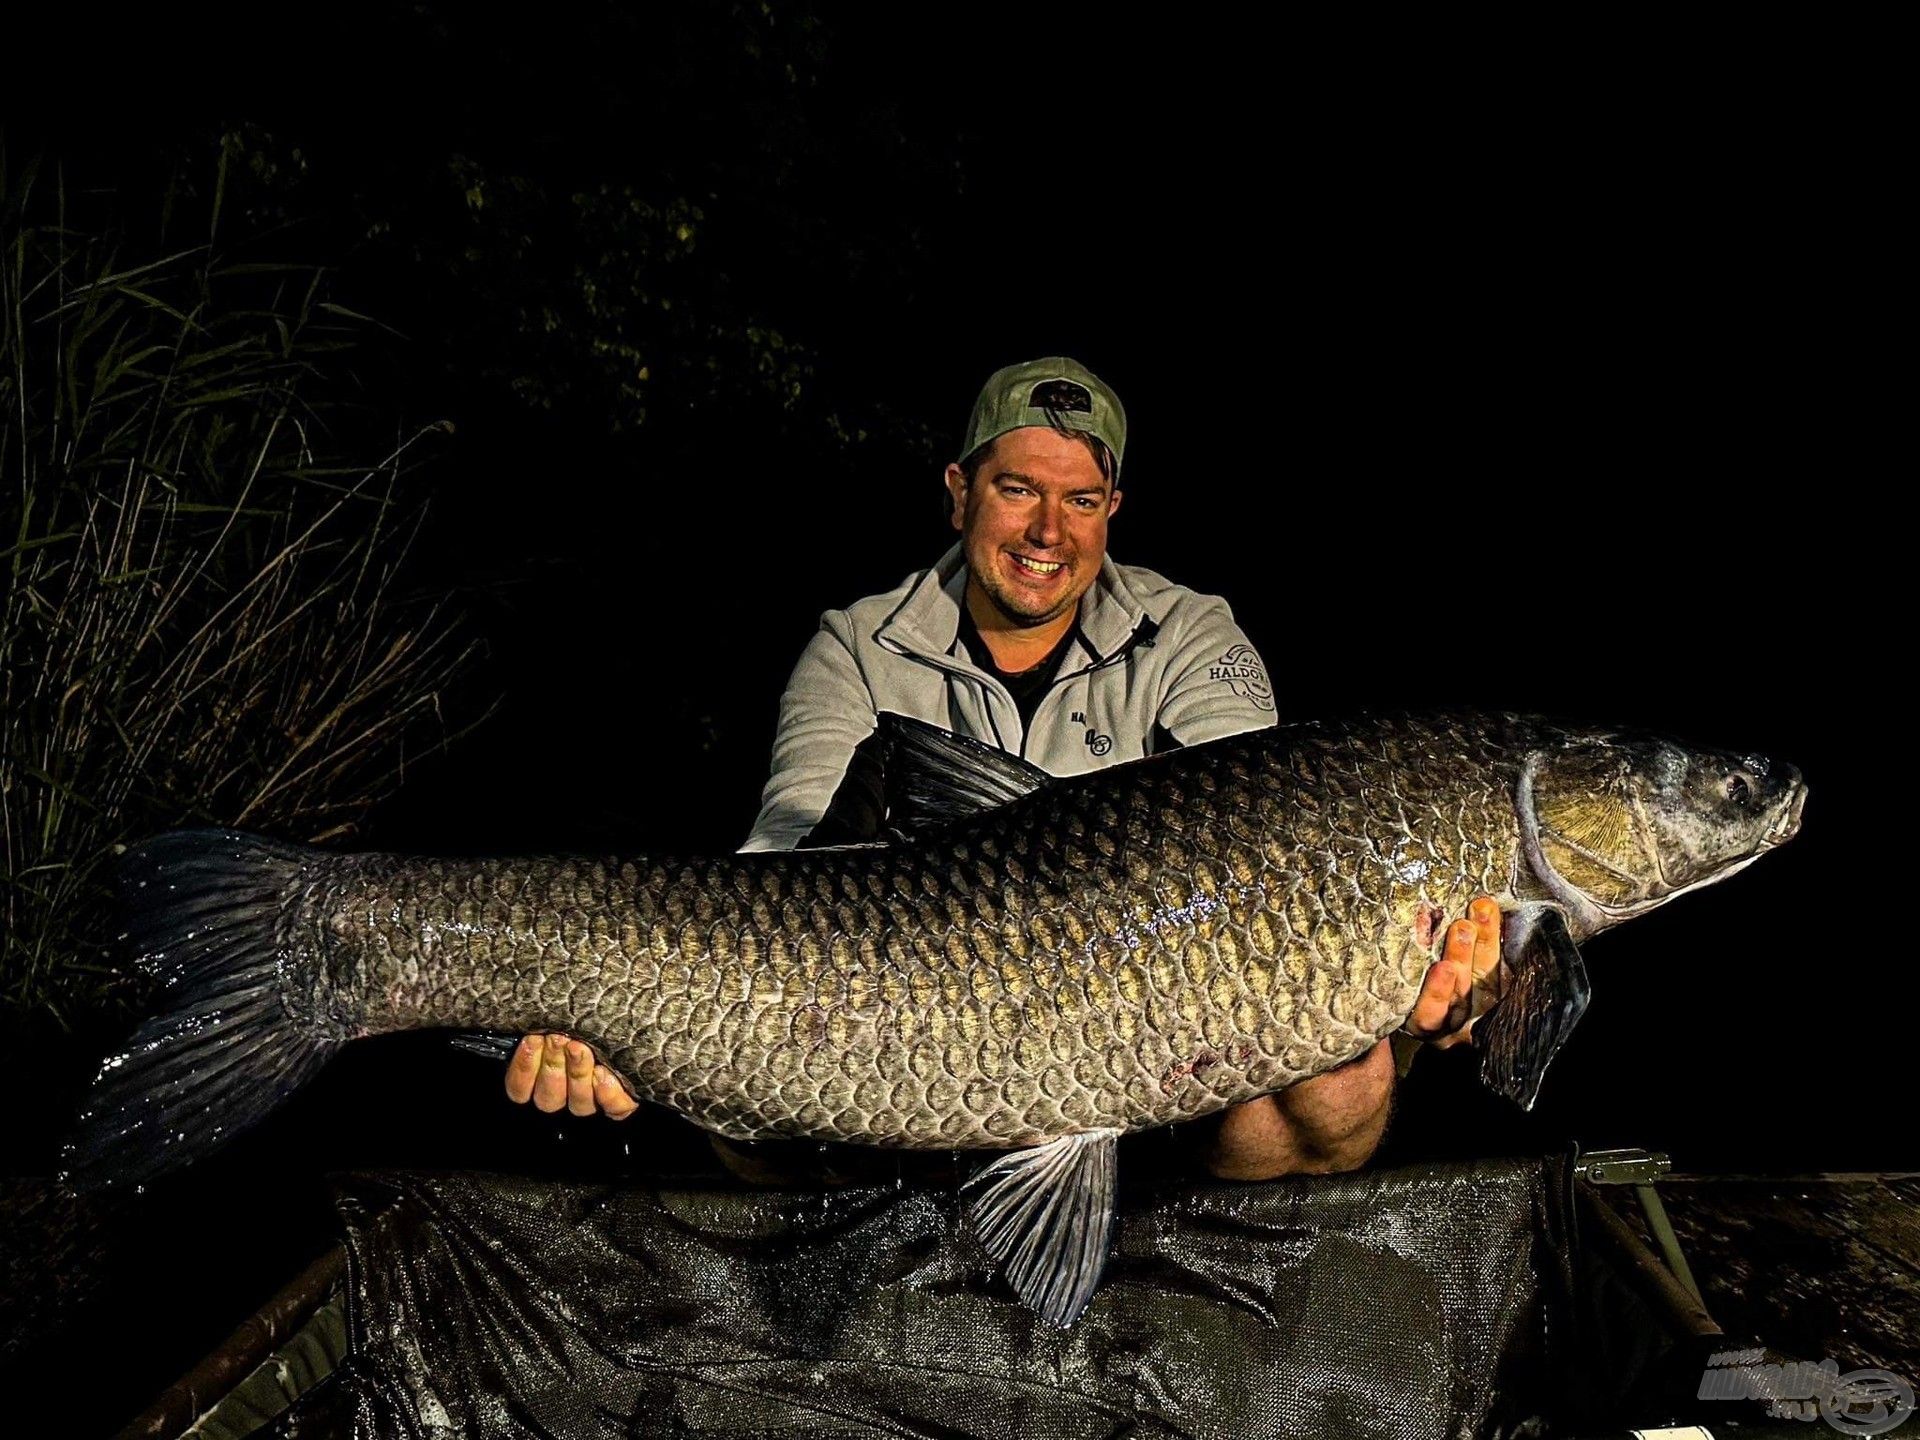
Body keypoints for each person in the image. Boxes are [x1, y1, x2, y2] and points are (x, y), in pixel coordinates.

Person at [506, 357, 1500, 1179]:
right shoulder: (856, 645)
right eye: (1017, 490)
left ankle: (1202, 1306)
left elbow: (1255, 830)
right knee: (726, 1092)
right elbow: (782, 870)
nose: (1047, 533)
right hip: (899, 1053)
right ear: (960, 493)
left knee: (1348, 1080)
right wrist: (618, 1015)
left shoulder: (1190, 634)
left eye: (1079, 500)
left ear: (1113, 507)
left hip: (1143, 1062)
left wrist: (1413, 971)